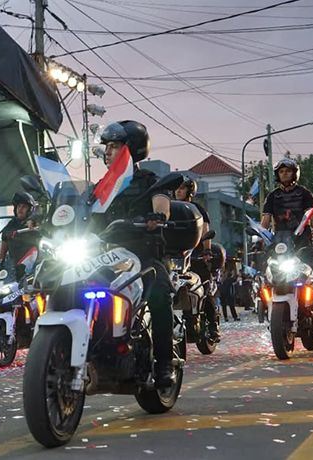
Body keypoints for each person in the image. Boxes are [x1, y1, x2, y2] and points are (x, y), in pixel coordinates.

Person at [98, 120, 176, 388]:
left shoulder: (148, 181)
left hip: (143, 257)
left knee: (159, 295)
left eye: (114, 145)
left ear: (131, 149)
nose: (107, 151)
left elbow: (162, 204)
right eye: (106, 146)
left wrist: (158, 216)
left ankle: (165, 363)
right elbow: (82, 214)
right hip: (105, 259)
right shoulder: (101, 187)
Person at [260, 157, 313, 333]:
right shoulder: (272, 196)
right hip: (280, 243)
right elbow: (266, 219)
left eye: (288, 171)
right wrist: (260, 237)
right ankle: (263, 308)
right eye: (281, 171)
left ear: (294, 173)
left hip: (302, 241)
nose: (284, 174)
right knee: (266, 274)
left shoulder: (305, 194)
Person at [176, 179, 221, 340]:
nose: (178, 191)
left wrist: (207, 251)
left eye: (181, 189)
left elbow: (206, 231)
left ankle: (213, 325)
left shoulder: (197, 209)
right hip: (176, 255)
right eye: (177, 189)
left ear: (190, 191)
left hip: (196, 255)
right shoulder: (170, 208)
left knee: (204, 288)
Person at [0, 192, 41, 279]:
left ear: (30, 209)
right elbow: (2, 252)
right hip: (14, 270)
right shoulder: (11, 225)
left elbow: (41, 215)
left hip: (34, 268)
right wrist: (0, 264)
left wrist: (33, 219)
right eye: (18, 206)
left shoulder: (35, 223)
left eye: (24, 207)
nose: (20, 209)